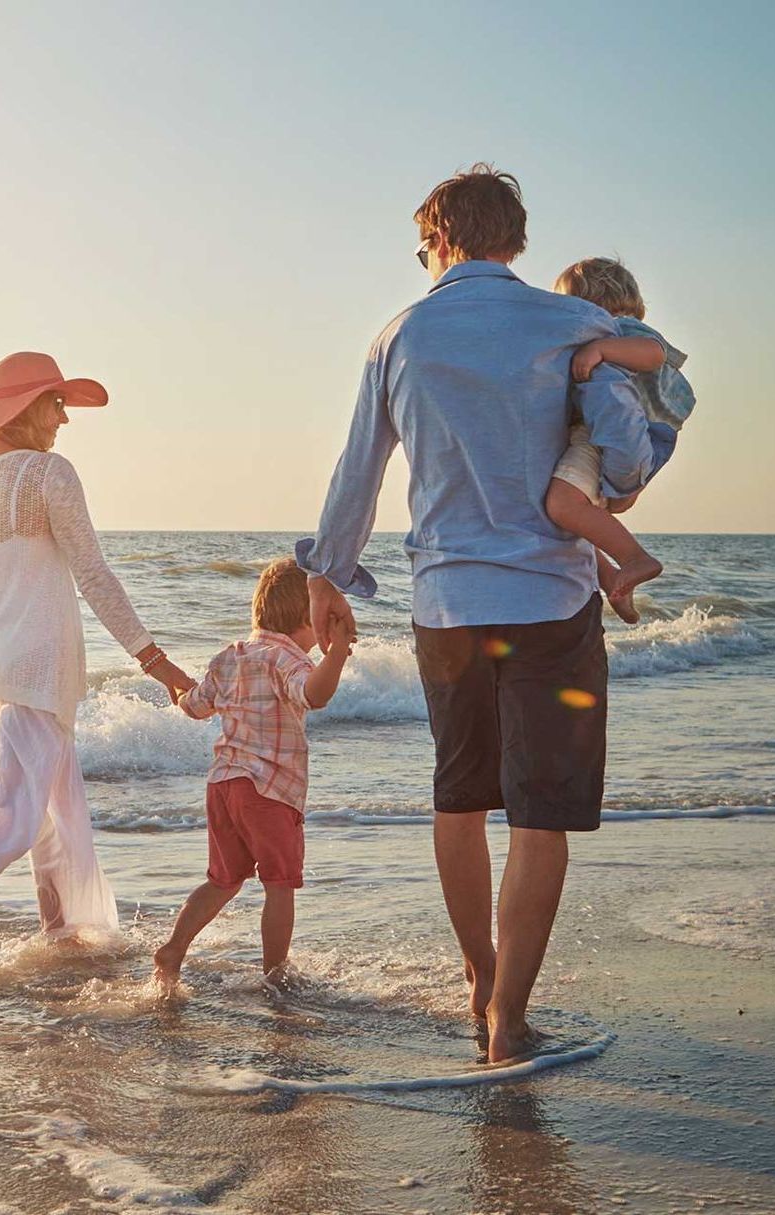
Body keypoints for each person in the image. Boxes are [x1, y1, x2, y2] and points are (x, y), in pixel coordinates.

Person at [298, 165, 654, 1063]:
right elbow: (622, 449)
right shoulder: (574, 321)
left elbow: (357, 473)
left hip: (448, 608)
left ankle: (478, 977)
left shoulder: (399, 335)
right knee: (540, 817)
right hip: (551, 602)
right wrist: (612, 482)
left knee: (460, 801)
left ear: (443, 240)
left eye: (424, 247)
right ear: (513, 240)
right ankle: (508, 1022)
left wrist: (328, 574)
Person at [0, 351, 193, 977]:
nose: (64, 419)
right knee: (12, 811)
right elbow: (93, 574)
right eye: (56, 403)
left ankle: (62, 931)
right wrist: (158, 664)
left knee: (55, 803)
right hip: (40, 661)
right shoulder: (48, 474)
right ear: (23, 407)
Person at [153, 558, 354, 991]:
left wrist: (174, 684)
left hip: (224, 785)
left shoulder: (230, 656)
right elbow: (314, 695)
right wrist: (338, 653)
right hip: (269, 791)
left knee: (223, 879)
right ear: (309, 618)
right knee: (280, 885)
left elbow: (194, 705)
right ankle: (275, 976)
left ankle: (173, 948)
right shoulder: (288, 660)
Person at [547, 257, 696, 623]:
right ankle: (612, 579)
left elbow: (654, 355)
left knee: (562, 505)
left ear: (591, 301)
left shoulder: (618, 329)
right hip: (630, 437)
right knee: (578, 517)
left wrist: (600, 350)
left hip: (613, 435)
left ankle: (634, 558)